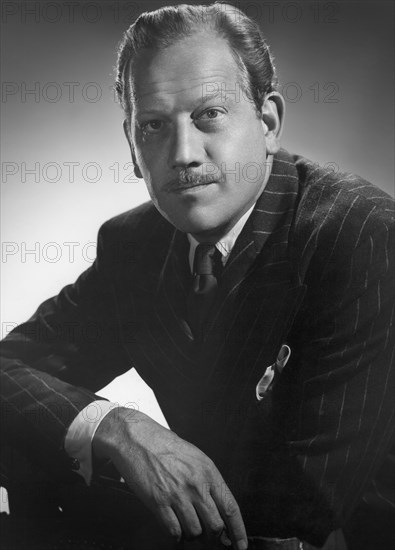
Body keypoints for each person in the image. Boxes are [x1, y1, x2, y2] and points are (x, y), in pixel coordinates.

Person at [1, 3, 394, 550]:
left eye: (209, 114)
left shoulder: (360, 235)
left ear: (269, 122)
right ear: (133, 149)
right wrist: (115, 425)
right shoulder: (132, 245)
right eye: (155, 126)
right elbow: (8, 368)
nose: (182, 155)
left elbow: (300, 509)